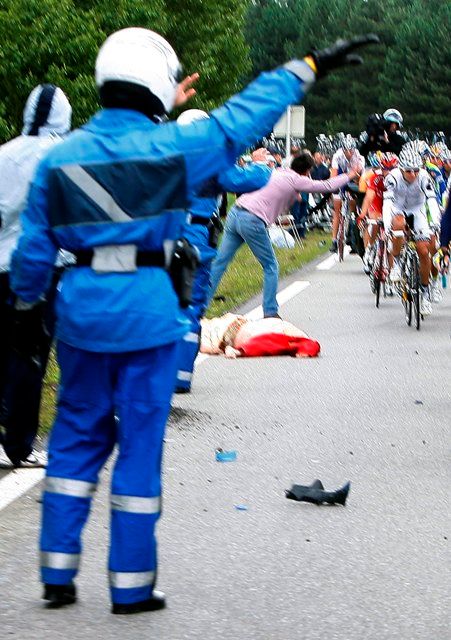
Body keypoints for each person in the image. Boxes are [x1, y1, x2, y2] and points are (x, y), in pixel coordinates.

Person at [10, 27, 378, 613]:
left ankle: (57, 574)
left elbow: (32, 260)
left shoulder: (60, 159)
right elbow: (242, 118)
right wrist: (306, 65)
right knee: (137, 448)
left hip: (80, 315)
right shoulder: (176, 148)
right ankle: (130, 588)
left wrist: (30, 302)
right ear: (158, 84)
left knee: (76, 439)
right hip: (150, 314)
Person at [175, 109, 272, 394]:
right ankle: (179, 376)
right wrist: (261, 165)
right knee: (191, 306)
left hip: (162, 237)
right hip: (193, 239)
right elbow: (244, 181)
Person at [0, 84, 72, 469]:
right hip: (44, 270)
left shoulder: (4, 154)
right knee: (30, 357)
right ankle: (18, 446)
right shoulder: (63, 157)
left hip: (1, 266)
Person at [207, 150, 360, 318]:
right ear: (307, 171)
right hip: (252, 220)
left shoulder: (278, 171)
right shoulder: (297, 179)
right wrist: (350, 174)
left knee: (220, 261)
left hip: (235, 213)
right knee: (271, 266)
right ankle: (270, 312)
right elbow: (327, 186)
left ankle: (200, 306)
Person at [383, 147, 441, 315]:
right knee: (398, 225)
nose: (413, 175)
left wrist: (435, 222)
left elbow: (431, 201)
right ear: (401, 169)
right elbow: (387, 204)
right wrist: (388, 225)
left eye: (416, 170)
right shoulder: (392, 177)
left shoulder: (424, 176)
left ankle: (424, 293)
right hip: (398, 209)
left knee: (424, 251)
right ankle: (398, 264)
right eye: (409, 171)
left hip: (418, 209)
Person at [329, 135, 365, 252]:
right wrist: (333, 188)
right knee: (337, 211)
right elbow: (333, 176)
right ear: (342, 150)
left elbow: (361, 179)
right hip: (340, 175)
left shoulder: (359, 157)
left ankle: (353, 226)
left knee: (354, 201)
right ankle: (334, 240)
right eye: (346, 151)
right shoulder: (337, 156)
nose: (349, 153)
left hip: (353, 178)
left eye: (351, 151)